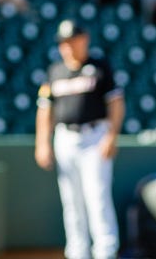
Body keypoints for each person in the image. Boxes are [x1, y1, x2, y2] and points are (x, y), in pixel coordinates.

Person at [34, 19, 125, 259]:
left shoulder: (99, 66)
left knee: (97, 197)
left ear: (84, 39)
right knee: (71, 200)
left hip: (95, 135)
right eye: (63, 42)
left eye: (71, 40)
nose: (67, 46)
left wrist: (111, 137)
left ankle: (105, 250)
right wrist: (42, 143)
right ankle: (77, 251)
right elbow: (45, 110)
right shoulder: (54, 70)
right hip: (65, 138)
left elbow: (116, 104)